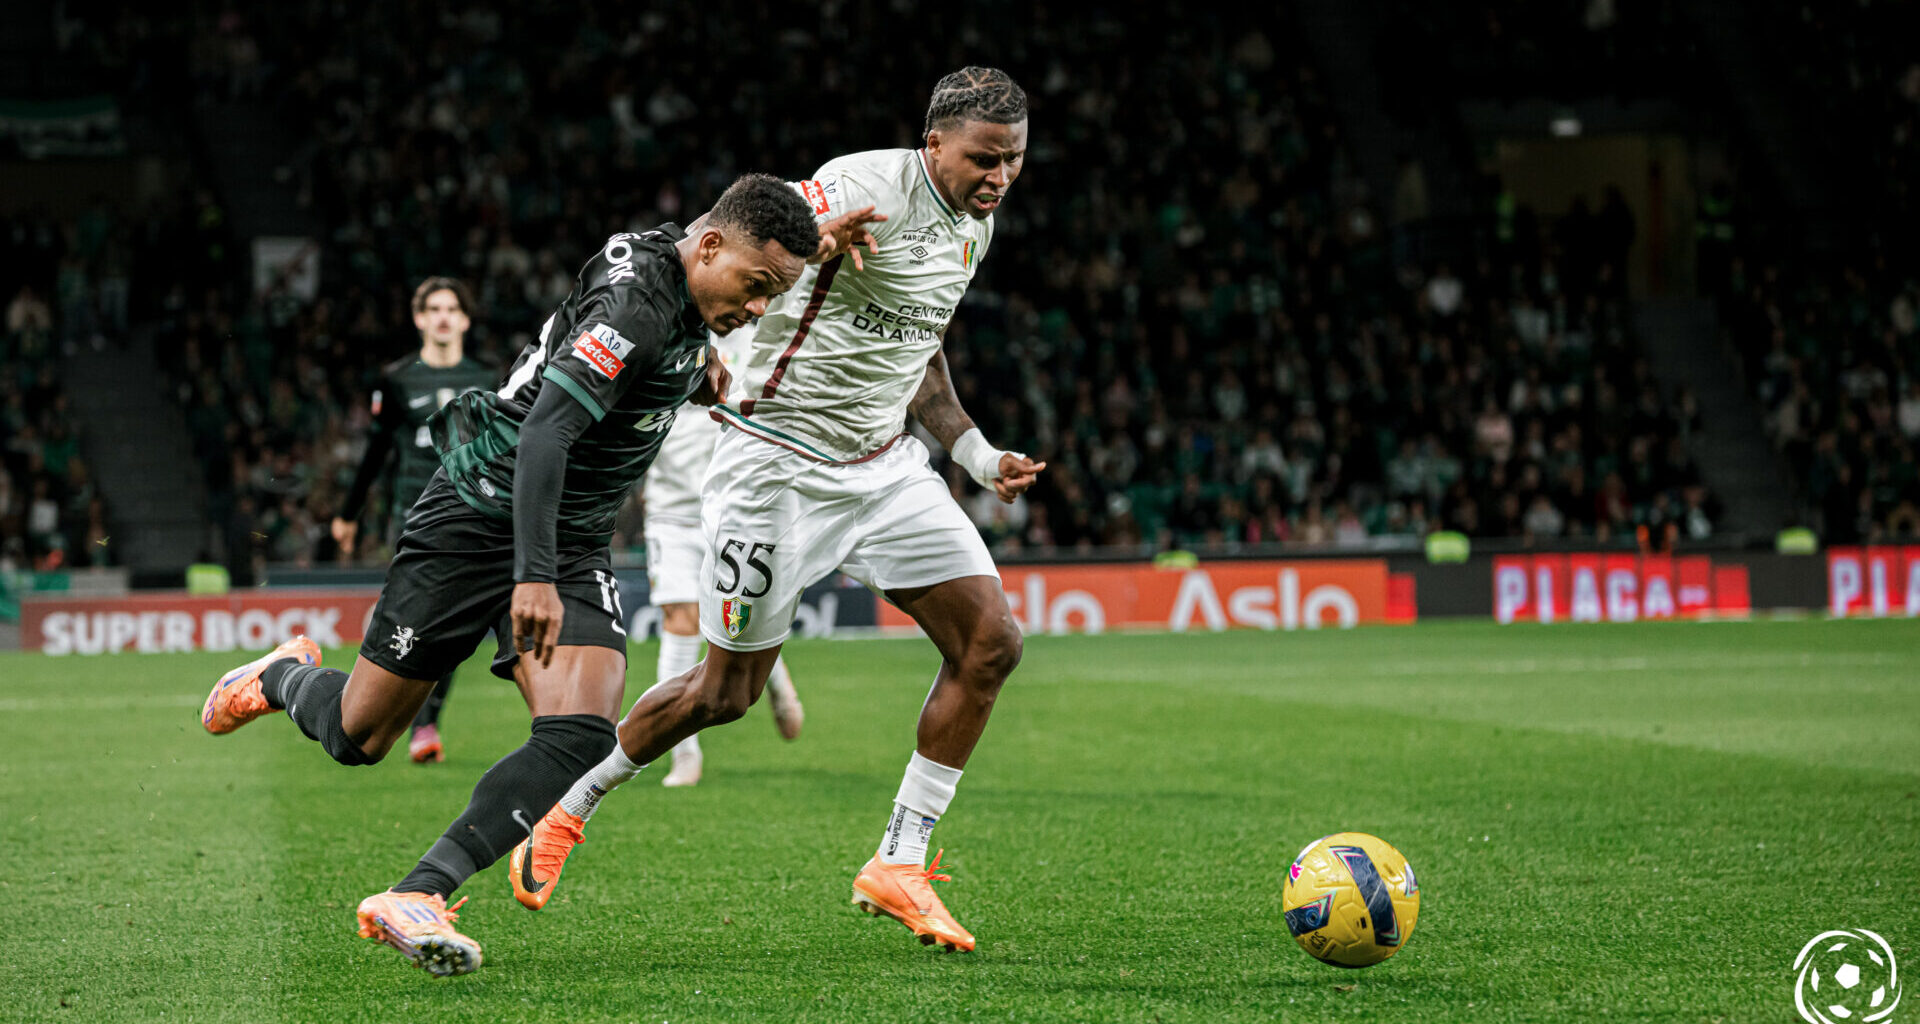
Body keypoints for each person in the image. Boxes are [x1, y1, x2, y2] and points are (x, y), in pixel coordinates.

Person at [200, 173, 874, 977]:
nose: (759, 308)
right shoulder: (634, 308)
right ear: (709, 248)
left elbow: (742, 233)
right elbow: (547, 433)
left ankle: (418, 894)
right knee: (359, 737)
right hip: (479, 511)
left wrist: (810, 253)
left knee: (582, 729)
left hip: (573, 532)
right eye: (756, 287)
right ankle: (280, 676)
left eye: (774, 293)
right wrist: (533, 576)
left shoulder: (702, 267)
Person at [511, 67, 1041, 955]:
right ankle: (571, 805)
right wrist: (819, 237)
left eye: (1015, 159)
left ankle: (899, 860)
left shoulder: (972, 228)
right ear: (933, 144)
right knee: (724, 695)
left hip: (883, 470)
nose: (1000, 176)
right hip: (775, 468)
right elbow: (732, 234)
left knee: (992, 642)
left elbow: (921, 351)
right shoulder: (866, 183)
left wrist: (978, 456)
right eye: (984, 159)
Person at [331, 277, 495, 764]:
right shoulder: (397, 378)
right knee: (420, 620)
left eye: (452, 309)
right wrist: (348, 513)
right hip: (416, 514)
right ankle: (408, 718)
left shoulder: (489, 376)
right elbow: (377, 449)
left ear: (465, 320)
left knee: (455, 621)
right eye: (434, 309)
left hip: (474, 512)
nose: (443, 317)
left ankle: (424, 723)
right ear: (419, 318)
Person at [640, 334, 805, 789]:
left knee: (739, 619)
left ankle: (773, 674)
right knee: (680, 620)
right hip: (671, 509)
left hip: (738, 504)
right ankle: (684, 753)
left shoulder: (760, 334)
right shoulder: (661, 330)